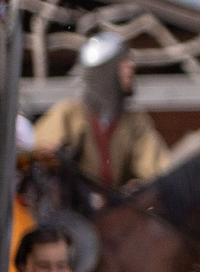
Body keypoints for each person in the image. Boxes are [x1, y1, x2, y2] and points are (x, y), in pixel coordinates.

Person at [32, 32, 170, 191]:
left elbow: (158, 171)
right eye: (123, 63)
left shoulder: (135, 121)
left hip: (112, 210)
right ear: (104, 72)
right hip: (71, 207)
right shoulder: (68, 114)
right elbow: (39, 157)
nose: (131, 68)